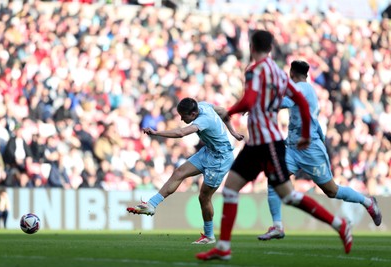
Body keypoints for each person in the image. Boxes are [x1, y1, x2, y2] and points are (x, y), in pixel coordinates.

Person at [196, 30, 353, 261]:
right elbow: (300, 101)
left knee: (288, 197)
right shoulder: (279, 74)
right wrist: (307, 132)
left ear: (251, 47)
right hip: (258, 144)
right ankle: (223, 248)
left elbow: (249, 100)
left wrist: (228, 111)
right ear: (270, 47)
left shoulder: (254, 70)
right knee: (230, 189)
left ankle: (339, 225)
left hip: (268, 145)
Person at [258, 60, 382, 241]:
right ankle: (277, 226)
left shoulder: (304, 88)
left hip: (309, 149)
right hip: (293, 148)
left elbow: (282, 103)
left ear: (292, 72)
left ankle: (368, 202)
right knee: (274, 180)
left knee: (331, 190)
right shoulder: (302, 88)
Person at [127, 97, 244, 244]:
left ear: (194, 114)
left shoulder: (203, 120)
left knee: (204, 198)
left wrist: (156, 133)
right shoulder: (203, 105)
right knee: (179, 172)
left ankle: (209, 236)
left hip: (220, 159)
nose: (182, 119)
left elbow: (181, 133)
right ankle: (151, 205)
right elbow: (223, 112)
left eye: (184, 116)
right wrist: (233, 132)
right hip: (209, 151)